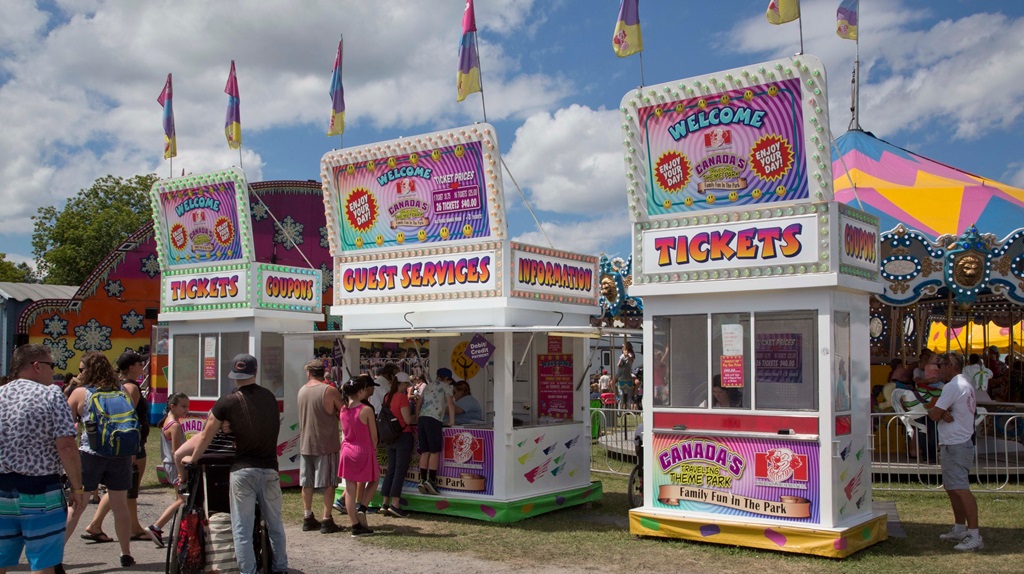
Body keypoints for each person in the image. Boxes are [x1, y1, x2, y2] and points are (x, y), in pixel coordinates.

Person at [183, 353, 288, 574]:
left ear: (233, 375)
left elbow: (206, 435)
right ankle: (280, 568)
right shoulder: (270, 397)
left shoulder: (227, 402)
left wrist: (193, 459)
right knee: (275, 525)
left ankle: (248, 571)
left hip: (243, 470)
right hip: (270, 468)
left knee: (242, 528)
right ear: (255, 372)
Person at [0, 344, 85, 574]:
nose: (53, 371)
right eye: (51, 365)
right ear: (37, 366)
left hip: (2, 490)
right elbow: (66, 446)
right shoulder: (51, 395)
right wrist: (77, 488)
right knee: (42, 560)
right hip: (41, 491)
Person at [66, 351, 137, 567]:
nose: (79, 373)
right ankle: (125, 553)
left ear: (89, 370)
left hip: (90, 454)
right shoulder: (123, 391)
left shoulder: (81, 393)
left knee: (77, 505)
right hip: (120, 454)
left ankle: (55, 555)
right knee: (120, 506)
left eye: (81, 369)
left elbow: (66, 427)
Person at [82, 350, 153, 547]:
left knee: (126, 489)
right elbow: (127, 418)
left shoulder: (121, 386)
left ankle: (129, 526)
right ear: (131, 367)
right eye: (140, 364)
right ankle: (99, 525)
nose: (143, 367)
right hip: (129, 445)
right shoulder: (130, 388)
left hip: (125, 444)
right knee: (125, 489)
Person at [928, 352, 983, 551]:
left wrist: (939, 410)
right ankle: (960, 528)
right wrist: (942, 411)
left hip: (956, 443)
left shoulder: (952, 386)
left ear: (951, 366)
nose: (938, 369)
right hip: (959, 441)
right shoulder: (965, 384)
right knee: (952, 488)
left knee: (960, 488)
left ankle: (974, 534)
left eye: (941, 365)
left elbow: (933, 414)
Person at [296, 359, 344, 535]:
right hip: (326, 443)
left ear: (308, 373)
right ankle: (326, 518)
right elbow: (343, 411)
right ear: (323, 373)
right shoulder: (329, 390)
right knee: (329, 483)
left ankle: (307, 515)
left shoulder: (302, 391)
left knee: (306, 482)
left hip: (306, 443)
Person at [144, 392, 190, 547]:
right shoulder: (174, 426)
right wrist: (181, 472)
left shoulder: (168, 421)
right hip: (175, 466)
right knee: (182, 500)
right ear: (172, 406)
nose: (186, 410)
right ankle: (156, 527)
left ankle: (178, 529)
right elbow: (176, 453)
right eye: (183, 406)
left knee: (181, 499)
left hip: (170, 465)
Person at [337, 376, 379, 537]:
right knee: (374, 479)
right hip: (363, 449)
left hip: (347, 450)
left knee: (350, 489)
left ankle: (355, 525)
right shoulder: (366, 410)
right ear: (361, 391)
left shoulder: (343, 409)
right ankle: (362, 507)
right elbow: (374, 436)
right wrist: (373, 449)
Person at [379, 371, 416, 518]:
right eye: (406, 384)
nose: (407, 387)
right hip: (403, 435)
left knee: (391, 469)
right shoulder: (402, 398)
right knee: (400, 470)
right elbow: (407, 420)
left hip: (391, 436)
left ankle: (385, 502)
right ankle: (395, 504)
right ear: (402, 384)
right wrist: (417, 412)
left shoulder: (387, 396)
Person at [415, 368, 456, 495]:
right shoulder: (446, 387)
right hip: (434, 419)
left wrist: (417, 418)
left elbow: (419, 403)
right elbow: (450, 404)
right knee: (434, 451)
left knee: (425, 451)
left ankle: (422, 479)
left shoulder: (427, 386)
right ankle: (431, 480)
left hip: (422, 418)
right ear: (447, 379)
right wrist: (452, 421)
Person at [615, 342, 635, 410]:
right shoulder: (621, 356)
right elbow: (618, 364)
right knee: (612, 383)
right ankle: (616, 397)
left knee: (637, 383)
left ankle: (634, 397)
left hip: (628, 374)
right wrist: (622, 361)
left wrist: (627, 356)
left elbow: (631, 360)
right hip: (621, 374)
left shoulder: (631, 355)